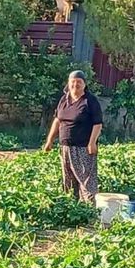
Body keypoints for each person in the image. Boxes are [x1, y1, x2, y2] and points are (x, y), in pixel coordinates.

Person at [42, 70, 103, 203]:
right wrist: (49, 141)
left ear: (84, 84)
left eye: (79, 82)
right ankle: (71, 205)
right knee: (68, 177)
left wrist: (92, 143)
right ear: (68, 84)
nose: (76, 84)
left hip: (83, 147)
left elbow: (97, 124)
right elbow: (58, 120)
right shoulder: (64, 99)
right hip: (65, 146)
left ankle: (89, 207)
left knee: (86, 178)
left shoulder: (90, 101)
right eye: (73, 82)